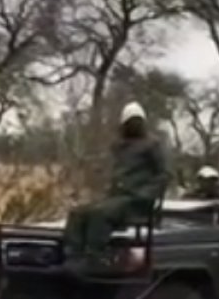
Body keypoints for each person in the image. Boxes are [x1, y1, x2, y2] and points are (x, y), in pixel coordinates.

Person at [63, 102, 168, 268]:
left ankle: (95, 257)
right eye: (130, 121)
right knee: (78, 212)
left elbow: (163, 175)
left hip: (135, 201)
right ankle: (72, 254)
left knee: (100, 213)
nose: (134, 125)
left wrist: (145, 194)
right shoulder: (119, 146)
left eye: (137, 121)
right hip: (117, 198)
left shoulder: (151, 145)